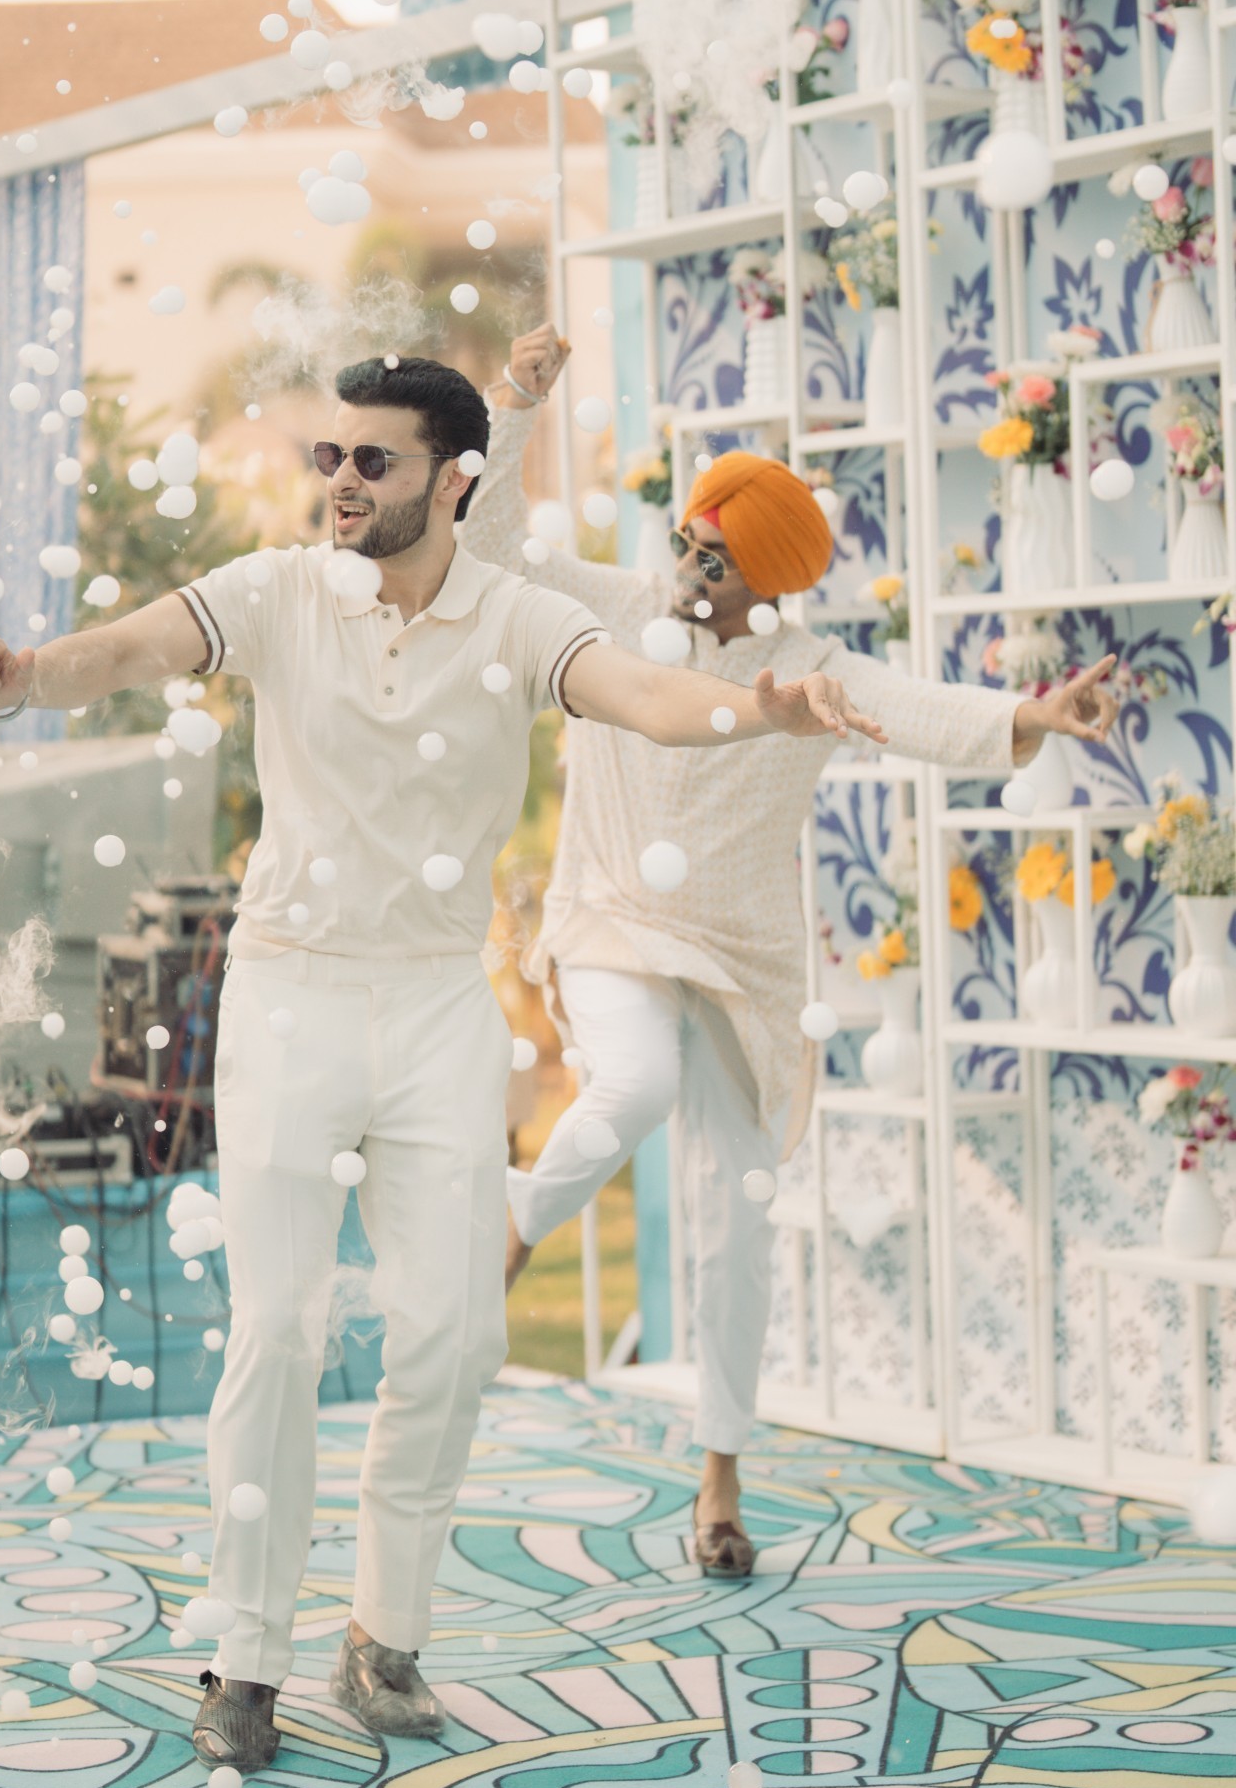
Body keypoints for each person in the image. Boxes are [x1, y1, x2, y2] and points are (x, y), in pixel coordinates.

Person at [0, 352, 884, 1772]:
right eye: (330, 455)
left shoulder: (517, 616)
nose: (340, 481)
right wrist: (27, 680)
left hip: (440, 1006)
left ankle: (383, 1635)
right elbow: (131, 649)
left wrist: (763, 709)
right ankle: (246, 1657)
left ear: (455, 481)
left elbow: (642, 693)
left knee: (454, 1336)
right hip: (291, 993)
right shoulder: (275, 592)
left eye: (372, 461)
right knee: (277, 1330)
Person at [460, 324, 1118, 1578]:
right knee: (632, 1084)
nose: (688, 567)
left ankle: (719, 1478)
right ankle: (516, 1224)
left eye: (714, 558)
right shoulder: (613, 608)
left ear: (765, 583)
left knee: (739, 1224)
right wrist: (518, 401)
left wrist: (1033, 713)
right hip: (609, 913)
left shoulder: (815, 669)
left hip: (746, 961)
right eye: (686, 540)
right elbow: (488, 547)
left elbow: (923, 711)